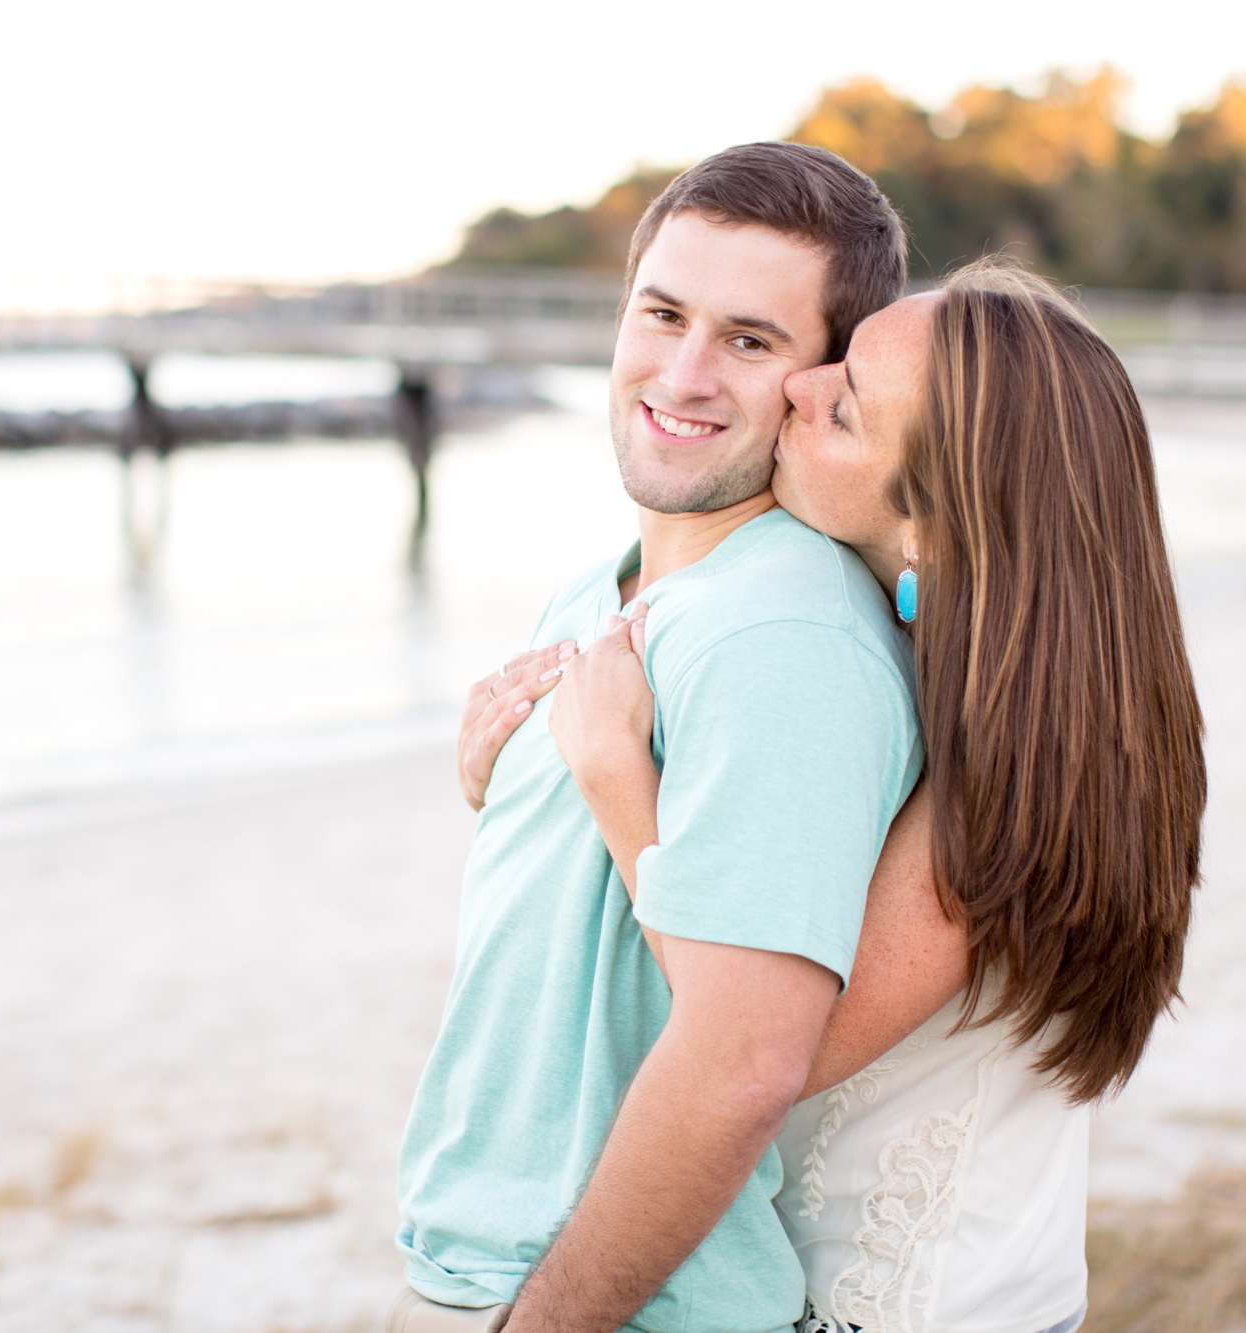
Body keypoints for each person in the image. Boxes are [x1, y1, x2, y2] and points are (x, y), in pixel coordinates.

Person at [524, 260, 1206, 1333]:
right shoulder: (1027, 705)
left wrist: (613, 777)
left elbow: (755, 1043)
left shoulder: (998, 795)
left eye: (840, 407)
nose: (798, 386)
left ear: (931, 527)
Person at [391, 141, 926, 1333]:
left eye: (747, 339)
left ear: (815, 378)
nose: (681, 374)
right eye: (661, 314)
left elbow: (745, 1061)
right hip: (477, 1263)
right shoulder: (604, 587)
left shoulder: (780, 636)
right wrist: (514, 786)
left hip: (613, 1302)